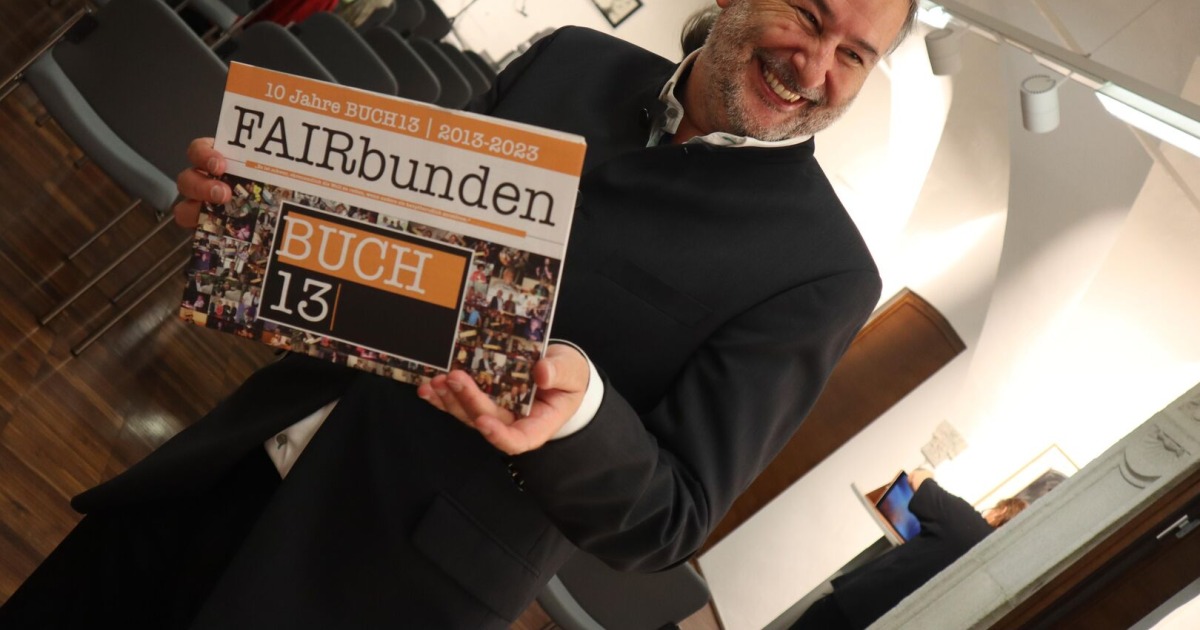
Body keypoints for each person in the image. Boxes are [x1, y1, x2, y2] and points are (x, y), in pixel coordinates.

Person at [0, 0, 918, 627]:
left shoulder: (824, 273)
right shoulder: (573, 61)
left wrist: (586, 413)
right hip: (233, 460)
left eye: (855, 55)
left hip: (373, 586)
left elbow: (670, 519)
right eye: (809, 16)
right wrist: (253, 208)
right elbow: (405, 230)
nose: (815, 67)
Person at [790, 470, 1029, 630]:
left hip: (854, 606)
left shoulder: (965, 520)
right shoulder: (990, 571)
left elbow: (918, 477)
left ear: (1001, 512)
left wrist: (928, 473)